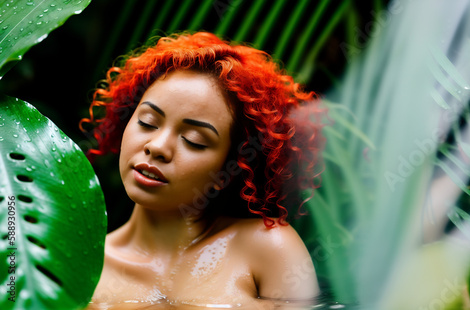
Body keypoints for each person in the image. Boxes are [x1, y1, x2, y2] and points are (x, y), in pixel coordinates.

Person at [81, 31, 325, 309]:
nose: (158, 147)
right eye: (148, 122)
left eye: (194, 140)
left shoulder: (268, 249)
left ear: (228, 169)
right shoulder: (82, 266)